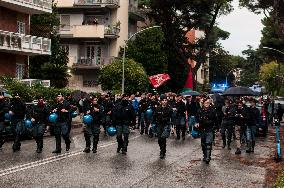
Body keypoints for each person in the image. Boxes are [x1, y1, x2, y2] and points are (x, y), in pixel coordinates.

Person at [195, 98, 217, 164]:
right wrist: (197, 123)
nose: (207, 104)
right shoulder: (200, 110)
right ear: (203, 103)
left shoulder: (212, 111)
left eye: (208, 103)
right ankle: (205, 155)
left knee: (208, 143)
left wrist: (217, 128)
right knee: (203, 143)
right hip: (202, 129)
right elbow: (197, 118)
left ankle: (208, 157)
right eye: (205, 103)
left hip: (210, 128)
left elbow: (216, 120)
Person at [153, 94, 172, 159]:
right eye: (163, 100)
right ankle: (162, 149)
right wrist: (152, 124)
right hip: (159, 125)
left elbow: (171, 117)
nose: (164, 101)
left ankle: (162, 152)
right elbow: (154, 116)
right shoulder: (157, 108)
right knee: (159, 139)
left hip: (166, 125)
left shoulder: (169, 108)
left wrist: (171, 126)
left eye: (165, 100)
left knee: (163, 138)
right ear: (161, 101)